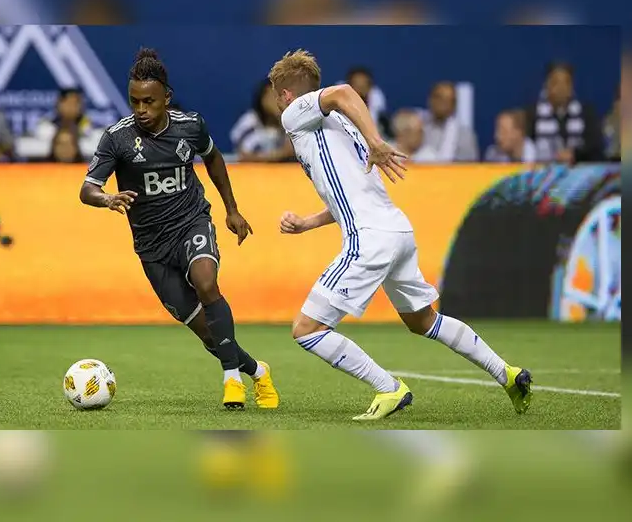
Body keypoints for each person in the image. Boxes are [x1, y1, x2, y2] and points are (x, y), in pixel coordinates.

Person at [268, 49, 532, 421]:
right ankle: (507, 373)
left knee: (307, 329)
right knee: (424, 321)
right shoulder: (339, 126)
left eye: (275, 96)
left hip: (370, 238)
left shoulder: (297, 114)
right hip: (396, 230)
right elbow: (350, 192)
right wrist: (309, 222)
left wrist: (377, 141)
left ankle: (389, 388)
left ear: (285, 96)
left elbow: (342, 91)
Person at [80, 48, 278, 410]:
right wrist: (106, 199)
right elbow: (86, 189)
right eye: (134, 101)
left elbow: (214, 158)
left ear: (166, 98)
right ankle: (257, 371)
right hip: (152, 247)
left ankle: (231, 381)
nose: (141, 109)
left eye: (149, 101)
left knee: (206, 282)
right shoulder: (117, 138)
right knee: (207, 332)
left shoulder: (191, 126)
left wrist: (232, 210)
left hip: (191, 222)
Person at [525, 62, 604, 163]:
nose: (561, 88)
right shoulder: (532, 114)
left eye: (566, 83)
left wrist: (574, 154)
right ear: (546, 85)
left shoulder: (586, 113)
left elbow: (595, 146)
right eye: (556, 83)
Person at [229, 79, 294, 162]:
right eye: (273, 97)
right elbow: (246, 157)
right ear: (262, 99)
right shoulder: (249, 122)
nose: (278, 101)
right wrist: (282, 154)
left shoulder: (288, 121)